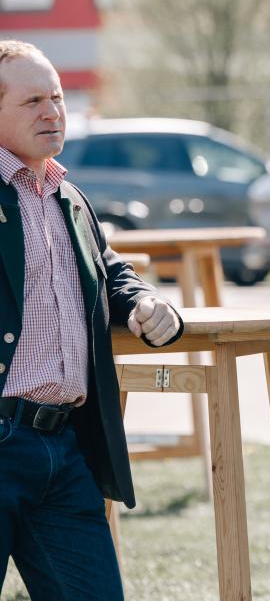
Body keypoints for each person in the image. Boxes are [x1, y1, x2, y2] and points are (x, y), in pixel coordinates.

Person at [0, 40, 183, 598]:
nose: (52, 112)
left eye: (56, 97)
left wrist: (144, 302)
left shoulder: (68, 196)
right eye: (32, 101)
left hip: (63, 449)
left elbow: (108, 269)